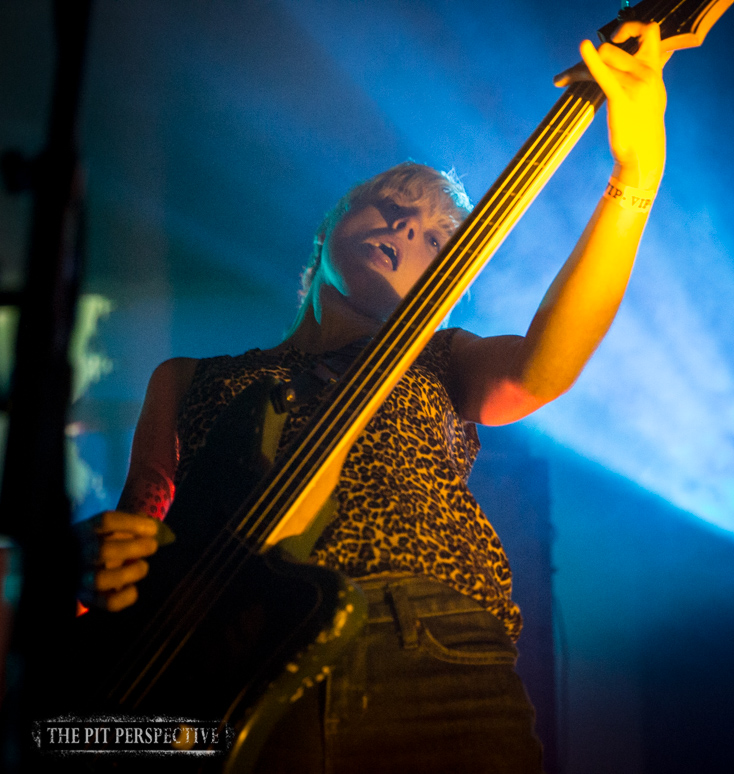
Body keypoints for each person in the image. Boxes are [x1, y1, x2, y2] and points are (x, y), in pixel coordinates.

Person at [80, 21, 670, 773]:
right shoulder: (188, 379)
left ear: (443, 284)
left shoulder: (443, 359)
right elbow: (142, 546)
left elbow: (543, 368)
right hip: (230, 669)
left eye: (432, 236)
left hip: (428, 650)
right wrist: (102, 560)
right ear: (329, 227)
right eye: (390, 203)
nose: (403, 224)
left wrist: (634, 176)